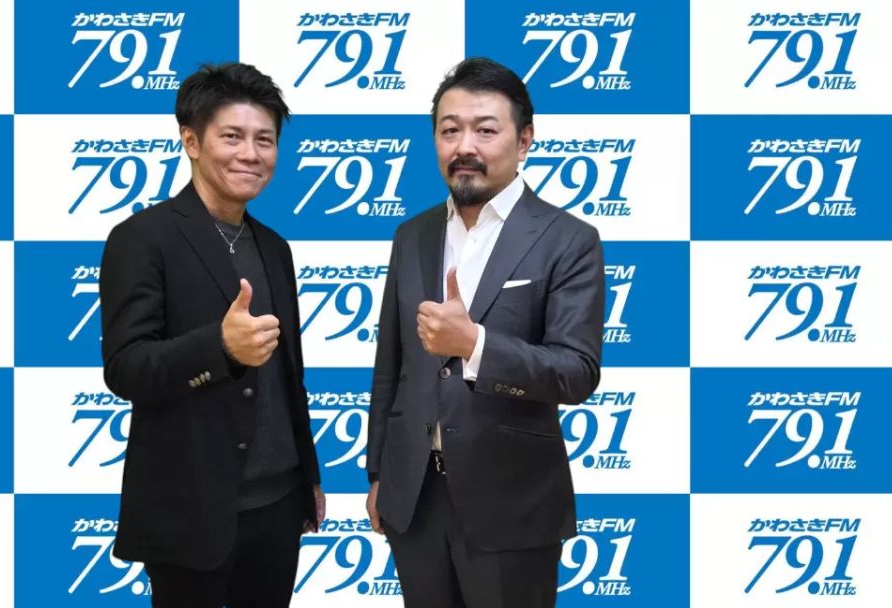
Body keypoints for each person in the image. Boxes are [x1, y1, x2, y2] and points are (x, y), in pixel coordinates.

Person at [365, 57, 605, 607]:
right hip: (413, 499)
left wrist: (475, 345)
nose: (464, 146)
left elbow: (576, 372)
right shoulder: (413, 234)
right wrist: (379, 474)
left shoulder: (569, 239)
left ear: (524, 141)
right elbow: (390, 366)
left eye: (486, 130)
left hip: (511, 503)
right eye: (449, 130)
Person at [99, 62, 324, 608]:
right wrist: (219, 348)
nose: (251, 154)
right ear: (192, 141)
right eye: (232, 137)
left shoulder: (275, 247)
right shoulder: (141, 238)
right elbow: (126, 368)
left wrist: (308, 478)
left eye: (265, 140)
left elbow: (288, 377)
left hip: (279, 504)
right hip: (189, 509)